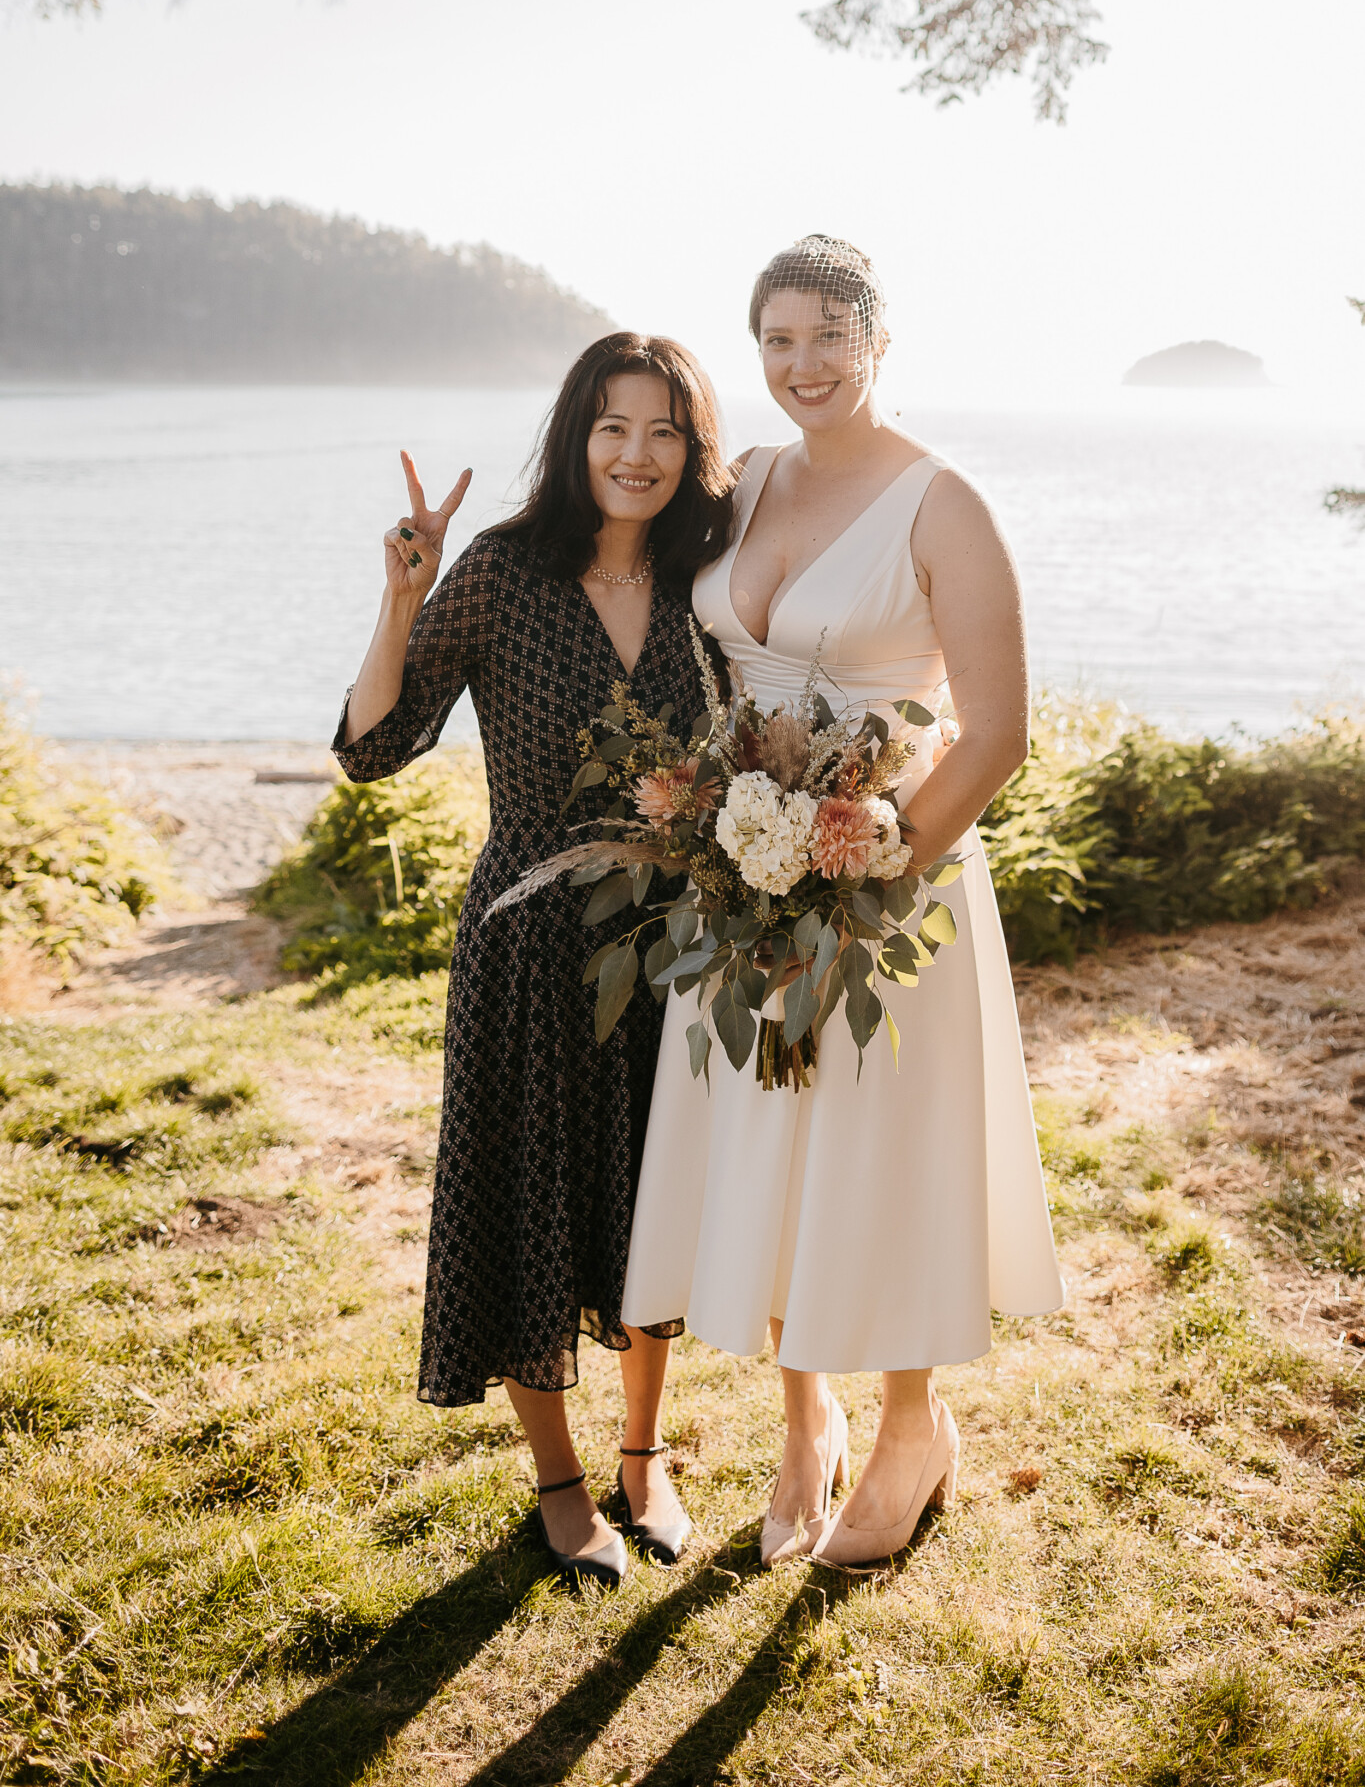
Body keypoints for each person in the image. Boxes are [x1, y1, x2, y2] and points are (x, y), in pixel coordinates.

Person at [621, 238, 1064, 1571]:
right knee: (770, 1148)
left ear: (878, 342)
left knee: (880, 1158)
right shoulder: (744, 481)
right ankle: (800, 1423)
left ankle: (911, 1431)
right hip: (744, 873)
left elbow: (996, 735)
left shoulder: (943, 506)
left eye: (826, 337)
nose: (800, 365)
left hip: (888, 889)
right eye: (775, 342)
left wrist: (868, 866)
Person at [334, 332, 733, 1586]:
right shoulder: (502, 572)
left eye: (666, 429)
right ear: (576, 437)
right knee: (528, 1201)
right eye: (614, 426)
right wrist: (404, 595)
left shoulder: (704, 581)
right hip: (526, 936)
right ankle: (559, 1480)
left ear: (692, 449)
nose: (638, 453)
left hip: (666, 937)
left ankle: (643, 1453)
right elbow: (373, 745)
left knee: (648, 1197)